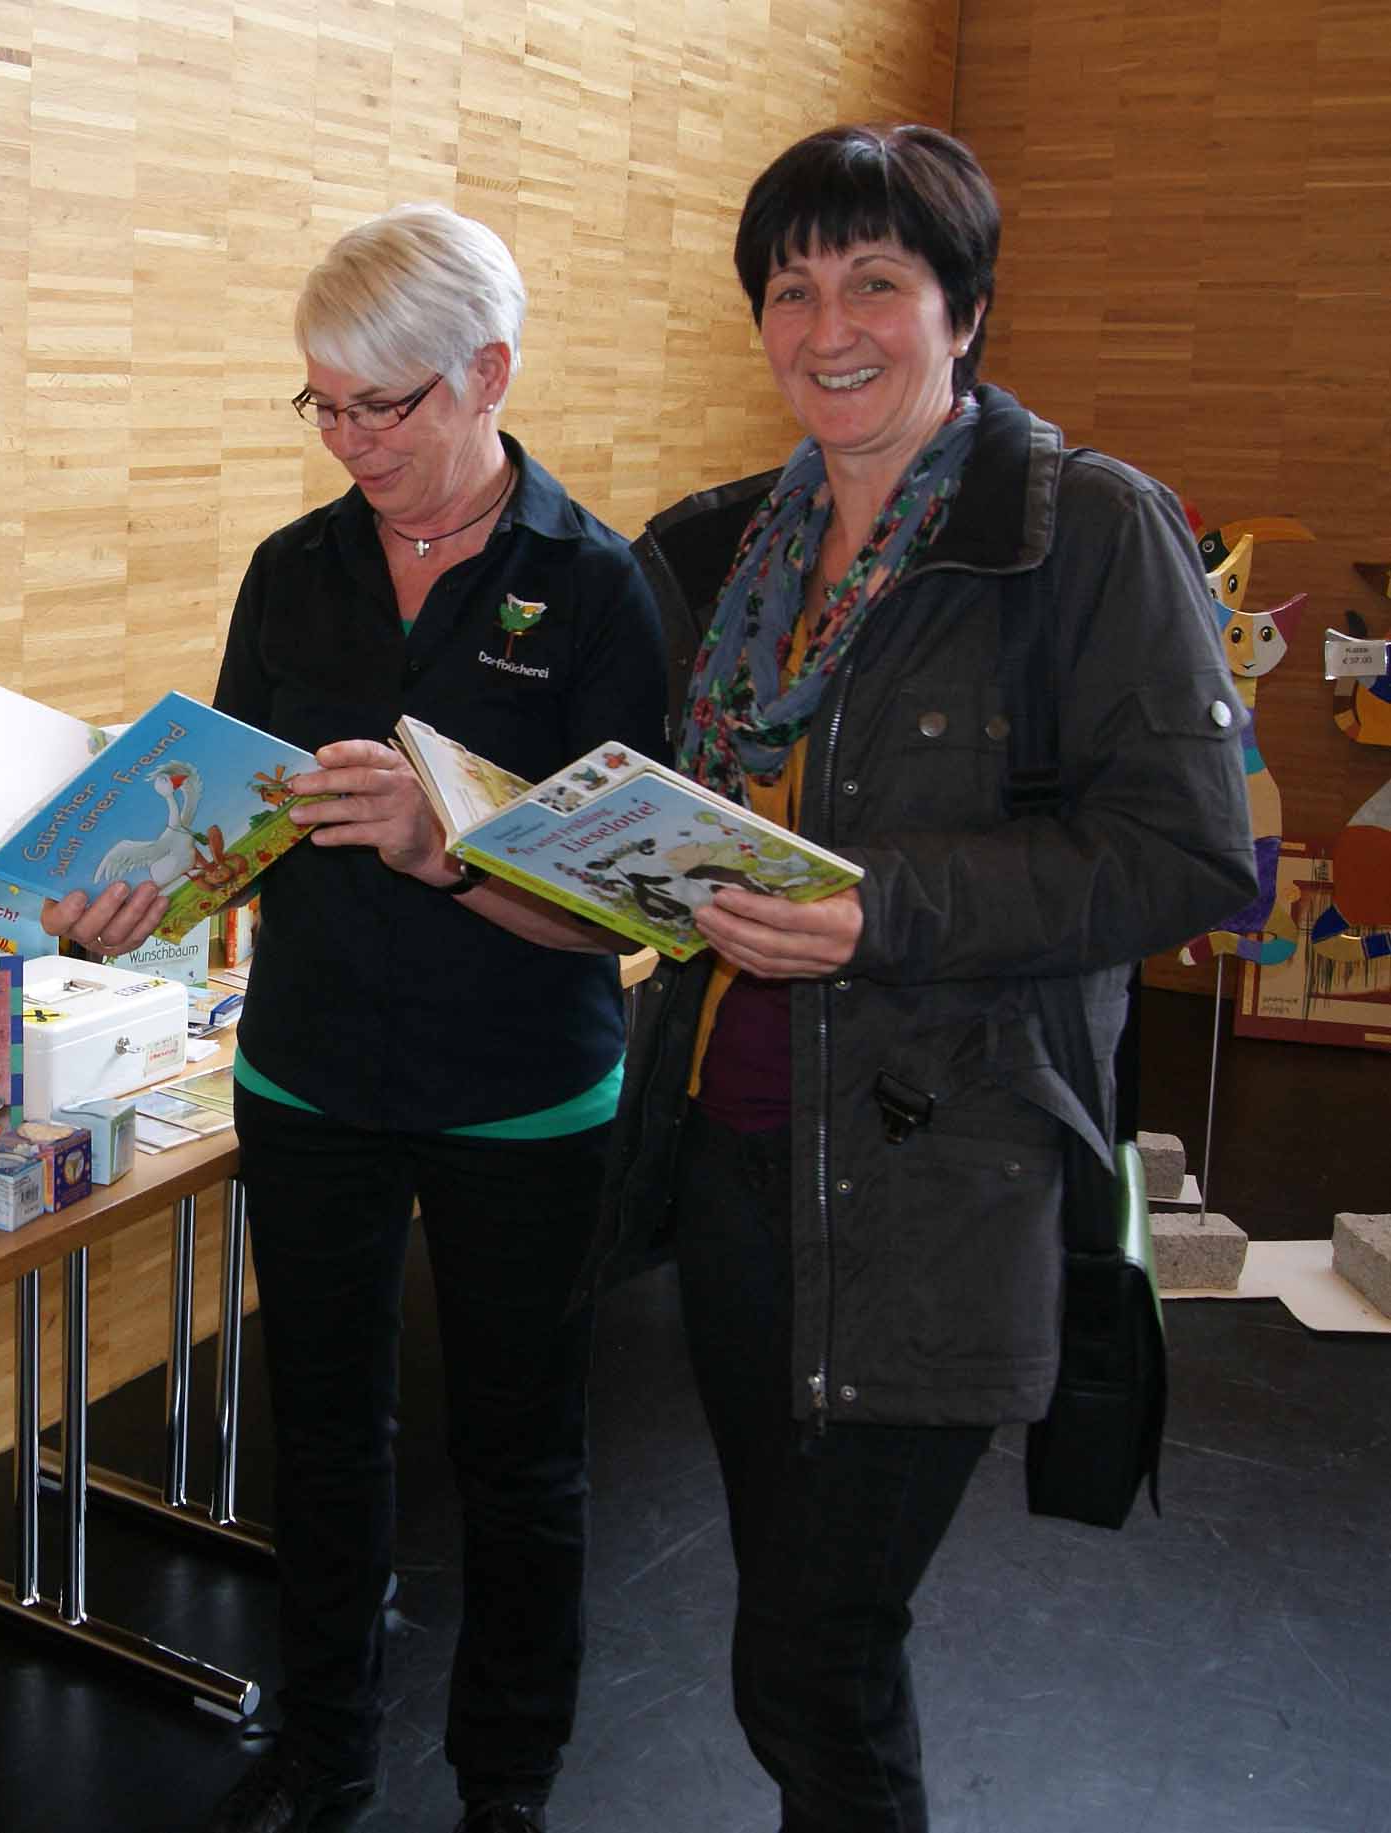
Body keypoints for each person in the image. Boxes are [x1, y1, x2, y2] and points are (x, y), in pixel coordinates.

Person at [592, 125, 1255, 1832]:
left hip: (945, 1175)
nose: (828, 328)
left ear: (962, 307)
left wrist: (877, 909)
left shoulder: (1082, 531)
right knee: (798, 1619)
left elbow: (1186, 854)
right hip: (734, 1154)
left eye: (875, 282)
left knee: (810, 1651)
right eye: (790, 288)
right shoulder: (723, 549)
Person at [48, 202, 666, 1833]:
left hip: (520, 1089)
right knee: (322, 1438)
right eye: (320, 404)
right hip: (310, 1070)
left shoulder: (599, 588)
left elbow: (619, 913)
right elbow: (231, 812)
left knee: (519, 1460)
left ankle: (505, 1789)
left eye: (382, 405)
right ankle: (324, 1753)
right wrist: (137, 890)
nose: (349, 442)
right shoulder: (293, 569)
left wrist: (439, 845)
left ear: (490, 374)